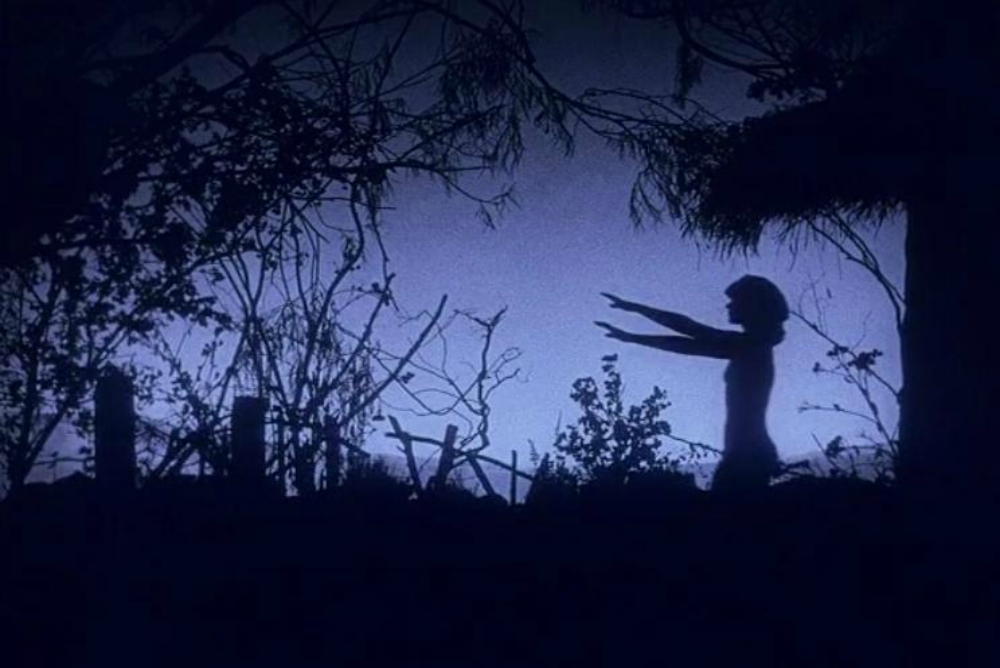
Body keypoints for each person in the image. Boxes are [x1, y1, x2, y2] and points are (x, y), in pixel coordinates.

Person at [595, 276, 789, 493]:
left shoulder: (751, 347)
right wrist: (633, 331)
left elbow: (691, 332)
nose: (728, 306)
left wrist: (635, 315)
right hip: (747, 449)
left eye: (736, 301)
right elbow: (688, 341)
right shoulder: (750, 346)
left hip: (747, 453)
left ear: (753, 306)